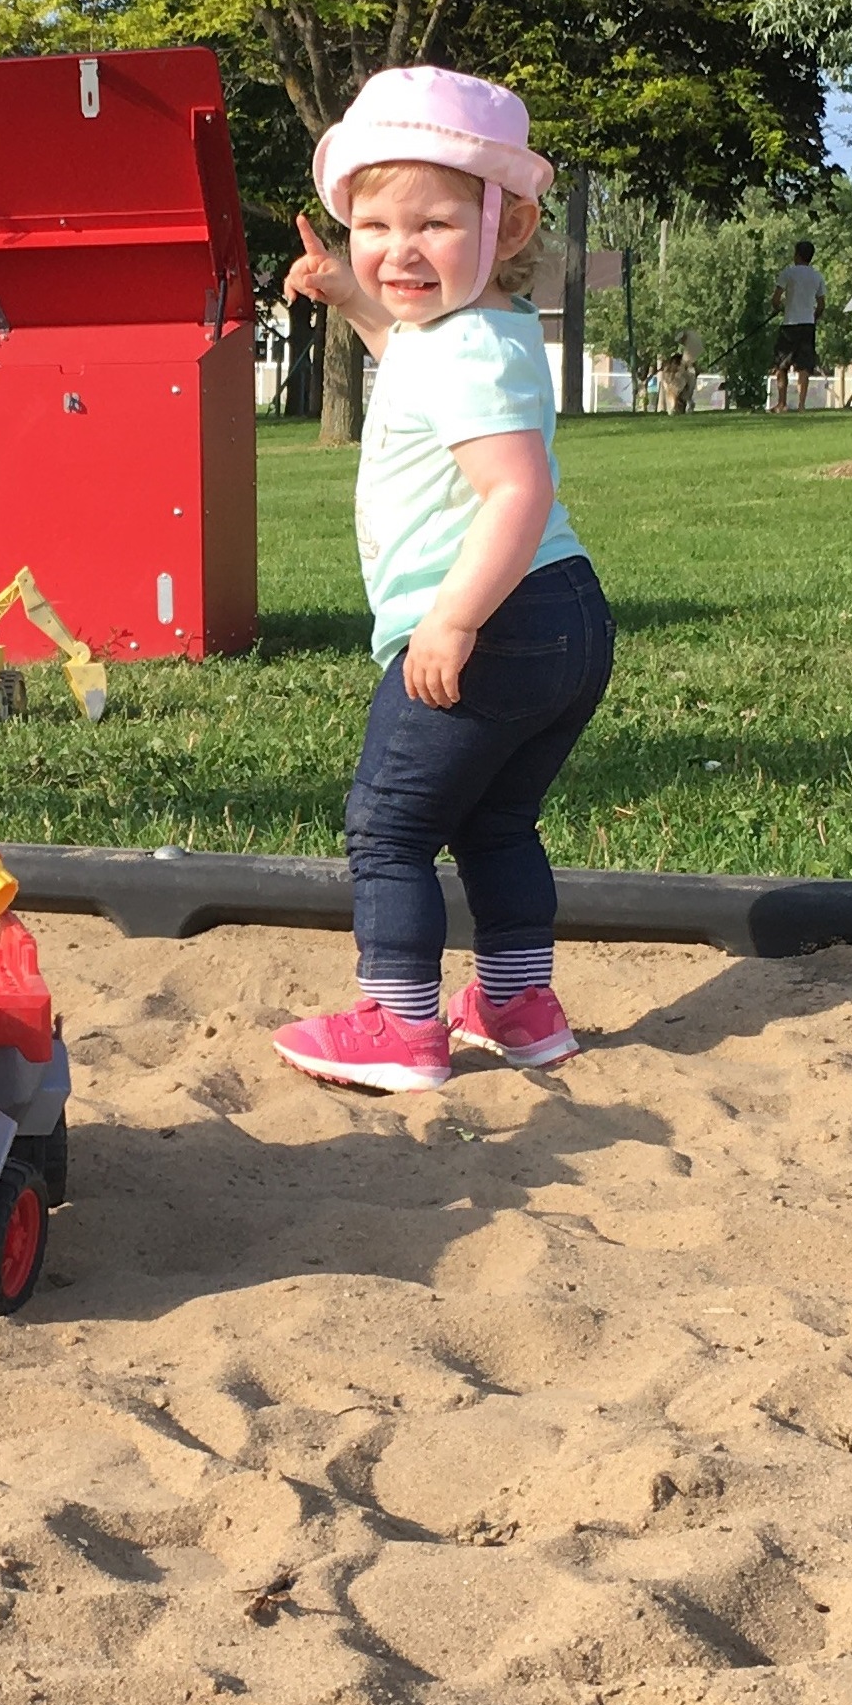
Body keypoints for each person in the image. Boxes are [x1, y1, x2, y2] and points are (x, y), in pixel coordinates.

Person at [271, 66, 614, 1095]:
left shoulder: (460, 349)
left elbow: (515, 491)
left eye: (432, 224)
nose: (396, 250)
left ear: (507, 229)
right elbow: (417, 366)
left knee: (391, 827)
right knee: (496, 821)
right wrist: (353, 303)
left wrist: (451, 621)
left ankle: (402, 1024)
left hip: (492, 617)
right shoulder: (473, 334)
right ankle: (516, 1004)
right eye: (371, 227)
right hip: (564, 617)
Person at [770, 239, 826, 411]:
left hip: (789, 324)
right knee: (804, 366)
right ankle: (801, 405)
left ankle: (782, 403)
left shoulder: (789, 273)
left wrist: (778, 308)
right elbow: (821, 304)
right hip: (807, 325)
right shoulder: (817, 276)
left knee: (781, 365)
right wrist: (813, 317)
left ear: (797, 255)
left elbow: (776, 298)